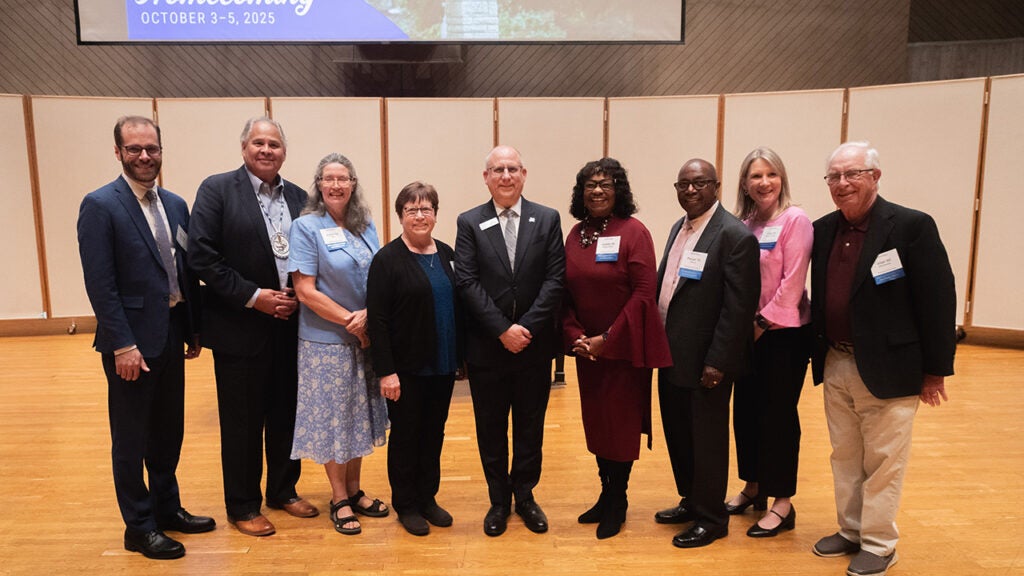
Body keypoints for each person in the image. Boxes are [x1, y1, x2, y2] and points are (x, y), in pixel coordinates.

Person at [810, 141, 956, 576]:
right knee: (845, 454)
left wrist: (935, 371)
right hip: (836, 359)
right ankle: (851, 529)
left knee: (884, 459)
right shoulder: (822, 229)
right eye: (834, 176)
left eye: (852, 174)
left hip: (892, 366)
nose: (842, 183)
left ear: (875, 176)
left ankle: (878, 543)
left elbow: (938, 300)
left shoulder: (911, 226)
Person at [77, 115, 214, 560]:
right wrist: (123, 344)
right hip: (131, 342)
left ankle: (166, 508)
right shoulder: (101, 205)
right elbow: (101, 284)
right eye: (134, 149)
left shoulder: (174, 204)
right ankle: (138, 526)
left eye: (151, 148)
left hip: (171, 331)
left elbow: (184, 271)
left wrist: (192, 329)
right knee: (131, 437)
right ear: (118, 152)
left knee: (168, 431)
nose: (144, 156)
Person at [188, 117, 318, 537]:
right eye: (258, 142)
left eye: (274, 144)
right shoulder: (217, 190)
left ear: (284, 152)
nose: (266, 150)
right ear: (244, 147)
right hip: (240, 326)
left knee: (286, 413)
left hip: (290, 325)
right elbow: (202, 256)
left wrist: (301, 294)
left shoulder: (299, 197)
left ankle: (283, 489)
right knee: (242, 422)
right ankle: (243, 504)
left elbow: (311, 252)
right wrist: (254, 296)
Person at [454, 145, 565, 537]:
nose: (505, 176)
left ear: (524, 174)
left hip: (534, 347)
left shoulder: (547, 219)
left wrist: (526, 328)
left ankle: (526, 495)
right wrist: (502, 330)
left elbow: (555, 279)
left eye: (512, 169)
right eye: (497, 169)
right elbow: (467, 281)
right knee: (491, 428)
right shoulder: (469, 222)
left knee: (530, 427)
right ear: (486, 177)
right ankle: (499, 500)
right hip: (488, 347)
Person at [561, 158, 672, 539]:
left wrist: (607, 339)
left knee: (620, 428)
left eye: (605, 184)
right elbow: (564, 291)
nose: (597, 191)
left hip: (623, 351)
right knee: (597, 426)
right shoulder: (576, 234)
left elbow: (643, 293)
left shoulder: (634, 232)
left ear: (618, 190)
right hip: (587, 353)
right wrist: (576, 335)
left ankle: (618, 499)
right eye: (590, 185)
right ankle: (605, 492)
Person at [654, 158, 760, 548]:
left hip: (706, 362)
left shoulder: (734, 235)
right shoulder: (678, 228)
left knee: (707, 440)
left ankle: (712, 517)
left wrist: (718, 362)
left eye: (699, 183)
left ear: (716, 186)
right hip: (671, 354)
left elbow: (739, 308)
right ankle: (691, 499)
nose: (690, 190)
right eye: (683, 184)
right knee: (679, 434)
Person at [287, 152, 389, 536]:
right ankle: (339, 497)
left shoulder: (366, 224)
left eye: (343, 178)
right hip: (326, 342)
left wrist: (369, 317)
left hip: (364, 337)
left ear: (353, 184)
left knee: (359, 417)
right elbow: (305, 291)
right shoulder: (305, 227)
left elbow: (379, 277)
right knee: (335, 420)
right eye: (328, 178)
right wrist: (352, 321)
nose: (335, 185)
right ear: (319, 185)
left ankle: (355, 489)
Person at [725, 147, 813, 537]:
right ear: (745, 183)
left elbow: (793, 283)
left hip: (782, 337)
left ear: (782, 179)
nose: (764, 182)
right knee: (745, 413)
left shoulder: (795, 220)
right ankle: (753, 486)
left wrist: (761, 322)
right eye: (756, 176)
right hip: (747, 335)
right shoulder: (744, 225)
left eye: (771, 174)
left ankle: (782, 502)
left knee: (778, 417)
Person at [367, 181, 463, 536]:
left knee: (433, 433)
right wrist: (386, 372)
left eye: (426, 209)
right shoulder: (387, 260)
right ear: (400, 216)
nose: (420, 216)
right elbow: (377, 320)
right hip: (406, 369)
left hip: (443, 365)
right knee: (407, 436)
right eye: (412, 210)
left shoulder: (448, 254)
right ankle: (406, 504)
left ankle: (427, 498)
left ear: (435, 214)